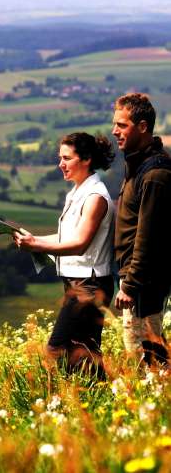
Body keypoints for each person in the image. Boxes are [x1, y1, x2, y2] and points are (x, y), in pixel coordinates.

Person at [13, 132, 115, 375]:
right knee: (83, 358)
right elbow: (66, 238)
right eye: (60, 158)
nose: (61, 164)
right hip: (77, 283)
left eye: (67, 158)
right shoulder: (77, 192)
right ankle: (106, 403)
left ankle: (71, 402)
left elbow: (79, 244)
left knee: (56, 350)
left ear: (86, 159)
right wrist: (33, 239)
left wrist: (36, 246)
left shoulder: (95, 197)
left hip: (89, 285)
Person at [112, 93, 171, 365]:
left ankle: (157, 404)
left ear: (143, 127)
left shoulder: (155, 174)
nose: (115, 131)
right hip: (137, 280)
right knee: (144, 354)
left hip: (144, 283)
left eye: (122, 125)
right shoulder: (137, 165)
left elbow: (148, 236)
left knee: (147, 357)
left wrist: (131, 285)